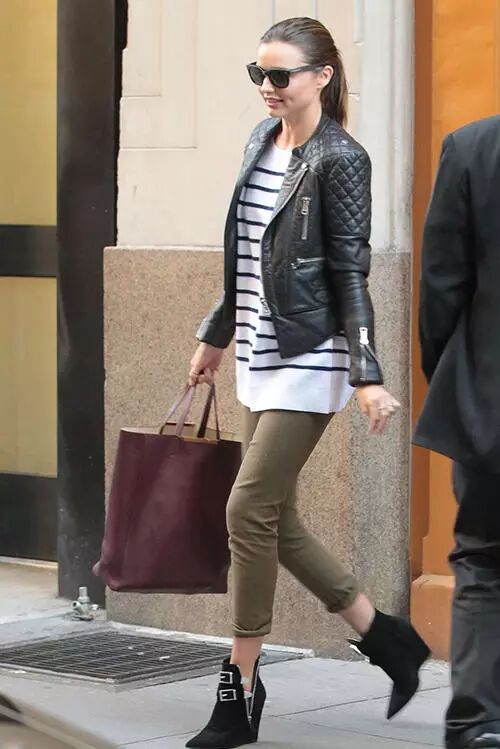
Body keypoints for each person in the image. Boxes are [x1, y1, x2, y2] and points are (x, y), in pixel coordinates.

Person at [187, 17, 429, 749]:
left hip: (312, 353)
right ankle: (385, 636)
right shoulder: (259, 143)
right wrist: (216, 335)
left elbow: (350, 272)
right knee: (275, 517)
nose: (267, 87)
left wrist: (366, 373)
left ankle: (241, 683)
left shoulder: (341, 158)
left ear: (321, 75)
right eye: (257, 74)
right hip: (261, 352)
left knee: (246, 508)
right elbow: (245, 257)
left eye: (280, 74)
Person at [415, 114, 500, 749]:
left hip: (489, 404)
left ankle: (478, 723)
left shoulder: (472, 148)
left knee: (483, 560)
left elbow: (441, 286)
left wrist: (452, 379)